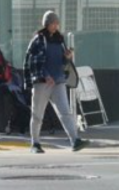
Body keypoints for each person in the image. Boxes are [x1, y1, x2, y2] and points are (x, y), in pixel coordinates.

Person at [25, 9, 83, 153]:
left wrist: (67, 57)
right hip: (42, 82)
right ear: (47, 24)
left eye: (57, 23)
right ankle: (35, 144)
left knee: (65, 112)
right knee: (37, 114)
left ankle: (75, 140)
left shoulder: (59, 39)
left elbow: (61, 61)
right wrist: (45, 75)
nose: (56, 26)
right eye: (53, 23)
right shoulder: (38, 39)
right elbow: (33, 61)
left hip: (58, 81)